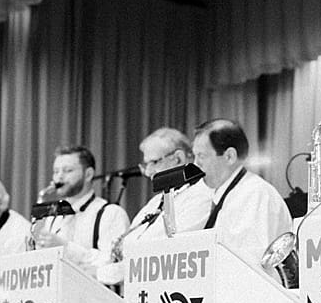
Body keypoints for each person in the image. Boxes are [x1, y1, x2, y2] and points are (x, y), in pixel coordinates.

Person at [96, 128, 214, 285]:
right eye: (146, 164)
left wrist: (104, 273)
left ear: (178, 158)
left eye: (153, 162)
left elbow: (164, 256)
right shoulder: (155, 202)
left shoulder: (201, 197)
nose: (148, 172)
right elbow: (128, 247)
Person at [190, 119, 292, 265]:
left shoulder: (256, 194)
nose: (196, 164)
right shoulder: (230, 193)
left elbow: (252, 264)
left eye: (201, 156)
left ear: (229, 156)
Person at [31, 144, 130, 278]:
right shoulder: (52, 217)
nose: (59, 177)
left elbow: (114, 262)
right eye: (56, 171)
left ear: (88, 174)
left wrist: (66, 248)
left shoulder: (111, 214)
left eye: (68, 170)